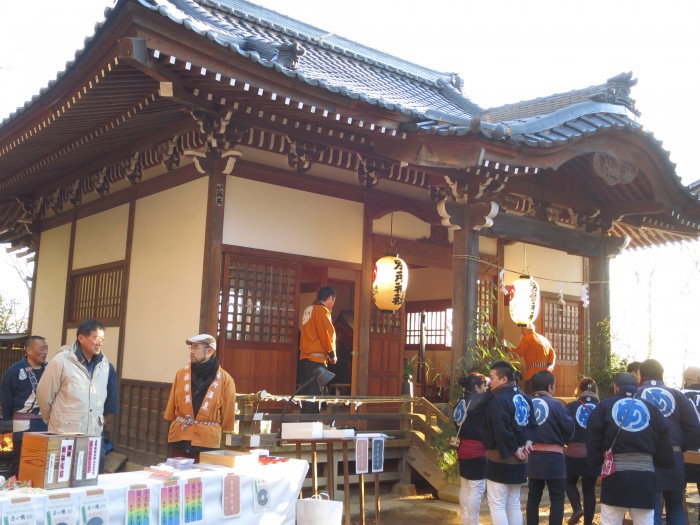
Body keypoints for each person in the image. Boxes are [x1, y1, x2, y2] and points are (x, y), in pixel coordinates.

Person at [586, 372, 674, 525]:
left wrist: (596, 461)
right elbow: (665, 440)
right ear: (638, 388)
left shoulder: (604, 406)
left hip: (614, 476)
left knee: (610, 521)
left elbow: (593, 439)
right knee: (644, 521)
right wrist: (661, 464)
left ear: (615, 387)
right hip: (645, 476)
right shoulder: (652, 408)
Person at [37, 320, 118, 470]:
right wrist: (53, 418)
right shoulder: (62, 361)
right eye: (96, 338)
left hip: (93, 434)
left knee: (92, 479)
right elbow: (44, 395)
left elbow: (106, 401)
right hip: (64, 433)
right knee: (63, 479)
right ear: (81, 338)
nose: (100, 343)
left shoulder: (105, 366)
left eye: (102, 339)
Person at [638, 359, 700, 525]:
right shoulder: (677, 394)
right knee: (675, 506)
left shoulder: (636, 394)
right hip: (674, 455)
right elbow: (694, 426)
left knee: (653, 509)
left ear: (641, 376)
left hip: (647, 458)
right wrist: (683, 447)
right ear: (662, 375)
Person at [164, 334, 236, 461]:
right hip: (181, 437)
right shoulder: (181, 374)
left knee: (200, 480)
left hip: (206, 442)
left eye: (196, 348)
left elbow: (228, 416)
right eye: (191, 348)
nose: (191, 352)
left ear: (209, 352)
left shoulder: (226, 380)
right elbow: (171, 409)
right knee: (179, 479)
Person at [482, 360, 537, 525]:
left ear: (504, 379)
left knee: (497, 503)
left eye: (492, 377)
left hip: (502, 457)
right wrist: (528, 442)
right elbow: (533, 424)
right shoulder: (525, 398)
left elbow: (502, 429)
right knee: (513, 502)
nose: (489, 381)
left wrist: (514, 449)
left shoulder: (499, 400)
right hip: (521, 457)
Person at [526, 370, 575, 525]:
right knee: (557, 498)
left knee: (533, 497)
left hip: (532, 457)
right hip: (554, 458)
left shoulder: (525, 403)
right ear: (550, 387)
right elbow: (569, 430)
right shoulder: (557, 405)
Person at [0, 336, 49, 477]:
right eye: (41, 348)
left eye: (46, 348)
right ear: (28, 350)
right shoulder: (16, 370)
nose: (45, 352)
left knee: (40, 463)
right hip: (24, 424)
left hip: (46, 423)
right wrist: (10, 418)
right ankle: (10, 492)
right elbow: (6, 396)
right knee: (20, 461)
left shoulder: (50, 369)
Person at [454, 372, 492, 525]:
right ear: (476, 387)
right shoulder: (478, 400)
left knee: (465, 487)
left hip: (462, 447)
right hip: (476, 449)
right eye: (482, 386)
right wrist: (490, 382)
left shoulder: (460, 402)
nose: (484, 389)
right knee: (477, 488)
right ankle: (473, 522)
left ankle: (466, 521)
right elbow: (492, 395)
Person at [564, 377, 601, 525]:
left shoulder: (571, 406)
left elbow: (565, 428)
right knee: (589, 490)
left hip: (572, 453)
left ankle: (577, 508)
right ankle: (588, 522)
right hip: (593, 454)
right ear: (595, 390)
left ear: (578, 390)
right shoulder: (602, 406)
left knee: (569, 482)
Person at [298, 287, 337, 414]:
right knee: (315, 393)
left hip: (304, 357)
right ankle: (311, 422)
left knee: (306, 392)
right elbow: (326, 334)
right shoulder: (322, 310)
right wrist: (332, 353)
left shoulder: (308, 310)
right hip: (316, 359)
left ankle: (304, 421)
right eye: (334, 299)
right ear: (330, 298)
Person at [509, 324, 555, 393]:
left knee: (531, 397)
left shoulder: (527, 338)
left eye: (522, 329)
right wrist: (550, 366)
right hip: (545, 375)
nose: (521, 332)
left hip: (532, 375)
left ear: (525, 329)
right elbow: (552, 354)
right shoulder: (544, 339)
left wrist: (506, 348)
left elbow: (518, 353)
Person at [682, 366, 700, 525]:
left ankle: (683, 520)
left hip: (683, 452)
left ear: (684, 378)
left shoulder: (677, 395)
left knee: (677, 493)